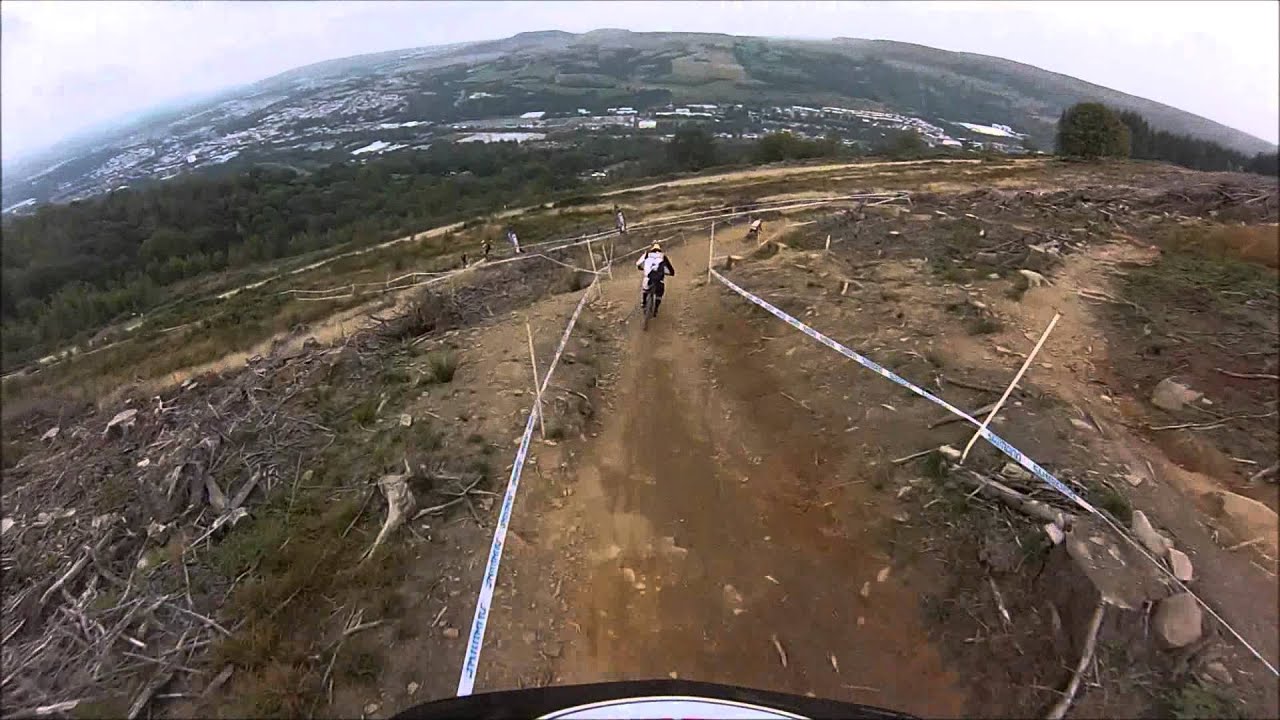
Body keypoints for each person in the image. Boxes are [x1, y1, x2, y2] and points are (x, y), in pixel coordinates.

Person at [635, 242, 675, 316]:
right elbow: (671, 269)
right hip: (659, 279)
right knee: (659, 293)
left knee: (645, 289)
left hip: (648, 278)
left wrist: (642, 268)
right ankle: (656, 309)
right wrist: (670, 273)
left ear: (652, 249)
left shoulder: (647, 254)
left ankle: (643, 303)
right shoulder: (663, 256)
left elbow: (638, 264)